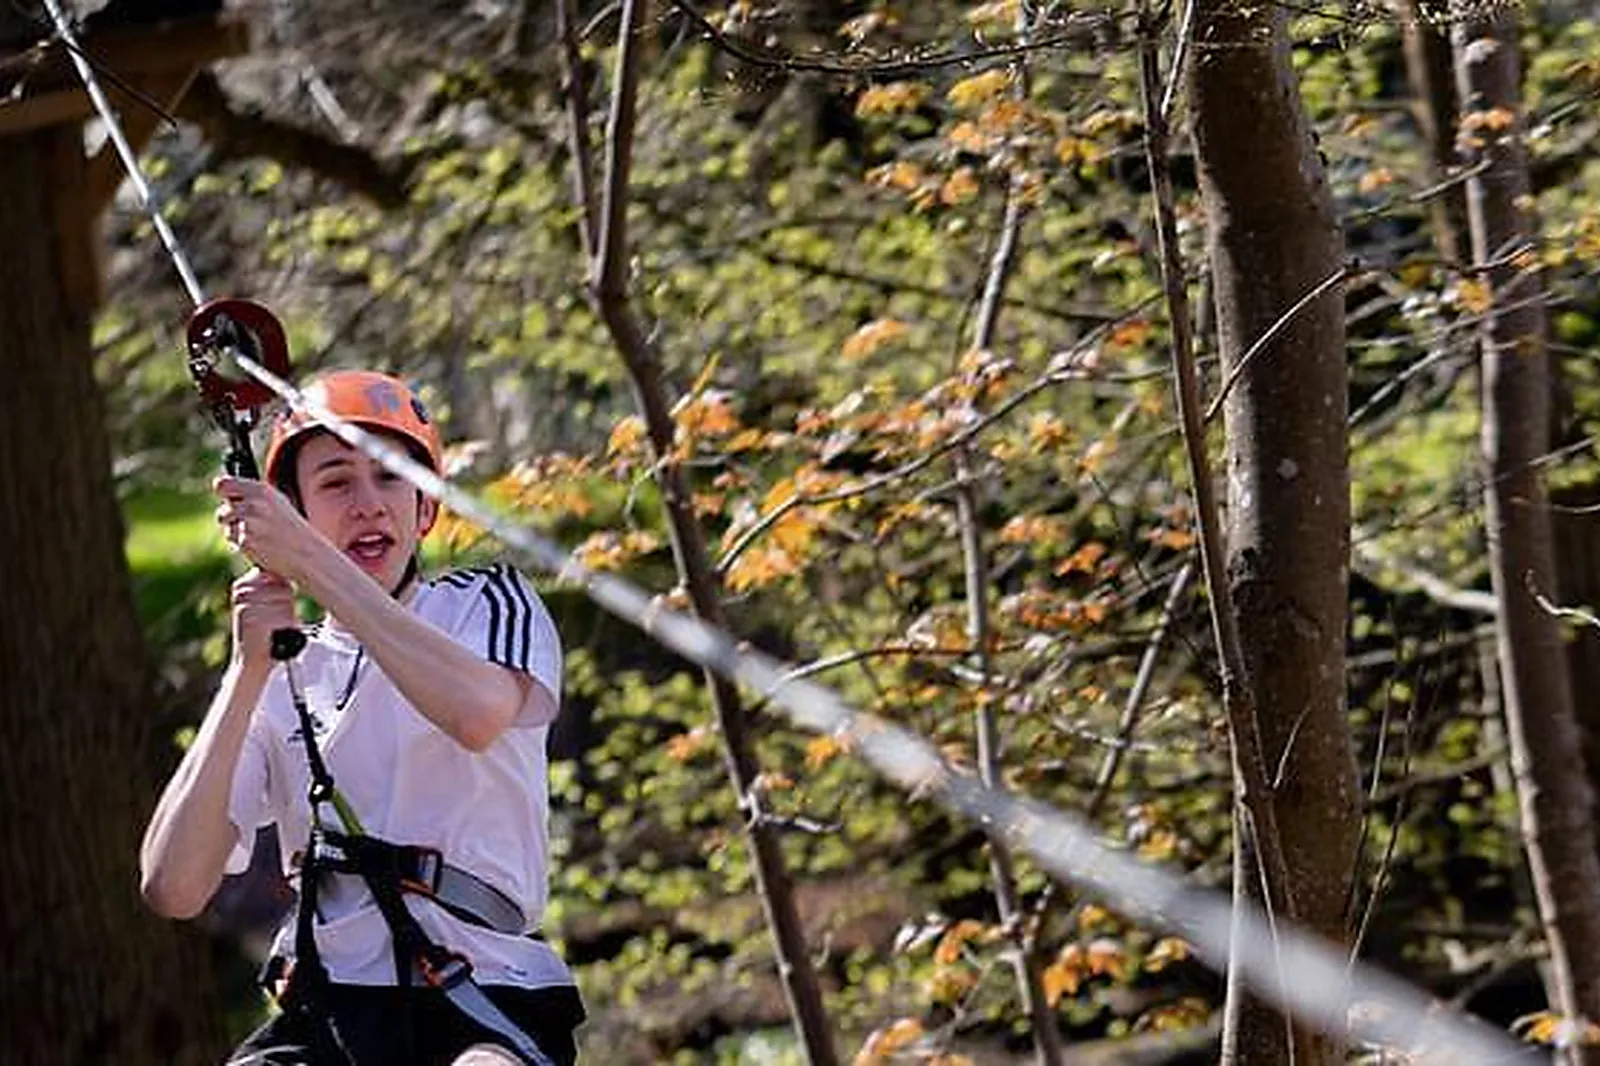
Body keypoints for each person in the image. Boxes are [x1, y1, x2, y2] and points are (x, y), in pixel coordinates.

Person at [139, 370, 584, 1065]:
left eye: (390, 478)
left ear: (425, 510)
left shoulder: (486, 604)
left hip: (484, 994)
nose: (369, 505)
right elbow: (174, 885)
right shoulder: (282, 671)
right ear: (298, 511)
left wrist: (312, 566)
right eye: (338, 483)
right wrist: (244, 671)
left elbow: (477, 714)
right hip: (327, 1010)